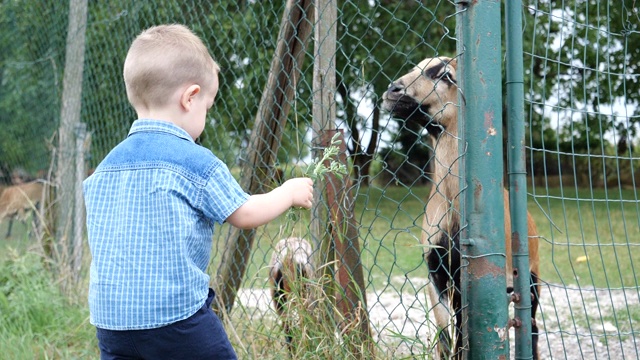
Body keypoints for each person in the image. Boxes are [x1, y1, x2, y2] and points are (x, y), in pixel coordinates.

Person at [83, 24, 314, 360]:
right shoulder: (194, 161)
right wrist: (288, 192)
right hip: (175, 321)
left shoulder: (104, 168)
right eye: (207, 106)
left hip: (112, 324)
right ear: (190, 98)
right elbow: (244, 212)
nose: (205, 116)